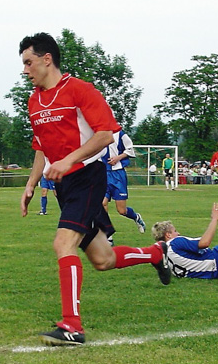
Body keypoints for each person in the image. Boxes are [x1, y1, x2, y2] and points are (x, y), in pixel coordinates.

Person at [18, 32, 170, 346]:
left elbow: (104, 135)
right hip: (64, 185)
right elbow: (40, 149)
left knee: (63, 243)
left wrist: (69, 160)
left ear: (47, 59)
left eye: (28, 62)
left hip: (88, 177)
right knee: (103, 260)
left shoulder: (80, 90)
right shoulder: (33, 100)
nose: (25, 70)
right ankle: (156, 254)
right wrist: (31, 184)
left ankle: (72, 327)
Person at [102, 129, 147, 238]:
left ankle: (136, 217)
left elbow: (130, 149)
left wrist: (118, 157)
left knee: (121, 210)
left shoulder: (120, 134)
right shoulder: (96, 133)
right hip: (102, 173)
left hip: (118, 175)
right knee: (102, 203)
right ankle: (108, 235)